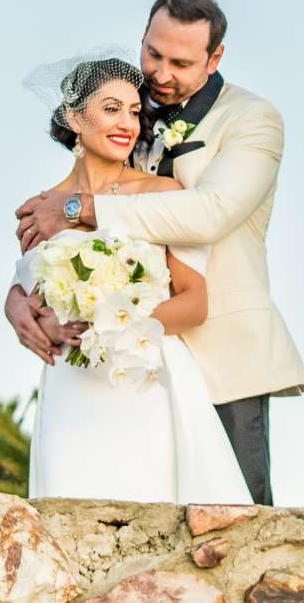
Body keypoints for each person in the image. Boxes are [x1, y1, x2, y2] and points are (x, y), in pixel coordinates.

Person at [9, 0, 304, 504]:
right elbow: (55, 246)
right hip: (105, 376)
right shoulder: (127, 111)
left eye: (181, 62)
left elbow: (210, 212)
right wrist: (17, 297)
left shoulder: (253, 119)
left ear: (215, 59)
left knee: (236, 527)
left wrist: (82, 210)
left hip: (219, 352)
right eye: (153, 53)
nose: (161, 73)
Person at [15, 55, 253, 502]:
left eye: (133, 110)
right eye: (110, 109)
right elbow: (34, 297)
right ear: (73, 116)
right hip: (72, 390)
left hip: (145, 385)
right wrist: (17, 306)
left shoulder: (163, 195)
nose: (127, 122)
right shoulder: (40, 207)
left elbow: (194, 302)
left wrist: (113, 326)